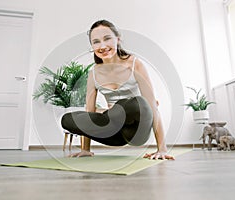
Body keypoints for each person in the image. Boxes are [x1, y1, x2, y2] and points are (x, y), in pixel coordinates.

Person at [61, 19, 174, 160]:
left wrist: (161, 149)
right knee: (68, 119)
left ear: (118, 39)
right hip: (112, 133)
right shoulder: (93, 74)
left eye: (107, 39)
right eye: (96, 42)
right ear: (92, 46)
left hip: (136, 131)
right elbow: (90, 113)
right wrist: (85, 149)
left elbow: (152, 107)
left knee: (139, 103)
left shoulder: (135, 64)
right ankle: (110, 113)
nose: (102, 46)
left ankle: (112, 112)